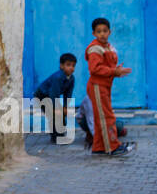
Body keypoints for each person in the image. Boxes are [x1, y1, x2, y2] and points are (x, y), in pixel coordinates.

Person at [86, 17, 134, 155]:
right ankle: (113, 147)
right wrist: (114, 71)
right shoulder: (95, 48)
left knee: (101, 116)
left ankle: (99, 147)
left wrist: (116, 71)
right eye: (99, 31)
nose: (102, 34)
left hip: (104, 86)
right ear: (94, 33)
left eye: (105, 31)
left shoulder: (107, 47)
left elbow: (107, 66)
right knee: (106, 116)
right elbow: (95, 69)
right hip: (97, 86)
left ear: (110, 32)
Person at [33, 53, 77, 144]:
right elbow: (54, 94)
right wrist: (56, 109)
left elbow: (68, 94)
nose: (71, 68)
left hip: (52, 96)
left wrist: (65, 107)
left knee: (61, 114)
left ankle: (60, 134)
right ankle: (56, 137)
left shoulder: (71, 78)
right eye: (68, 65)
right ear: (61, 66)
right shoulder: (58, 77)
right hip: (42, 96)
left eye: (73, 65)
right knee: (53, 115)